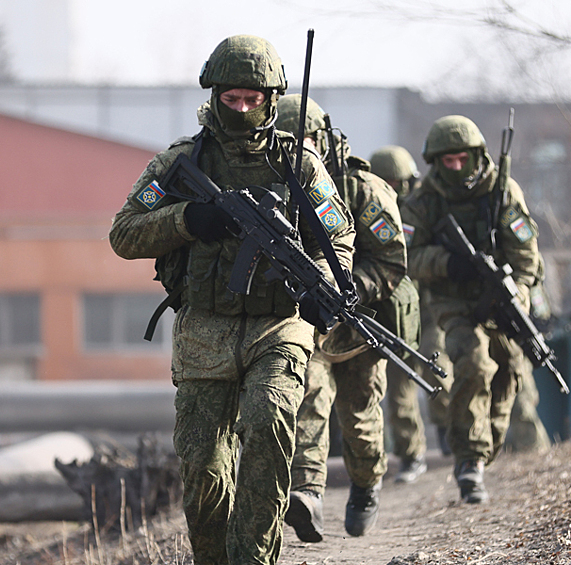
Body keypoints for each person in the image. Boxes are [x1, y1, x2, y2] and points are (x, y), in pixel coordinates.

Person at [108, 35, 355, 564]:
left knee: (268, 422)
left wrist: (326, 289)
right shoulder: (181, 162)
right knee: (203, 465)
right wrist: (188, 219)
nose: (242, 109)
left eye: (253, 99)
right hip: (205, 328)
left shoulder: (300, 164)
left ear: (271, 98)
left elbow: (338, 237)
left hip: (279, 325)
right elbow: (123, 233)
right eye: (231, 98)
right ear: (214, 94)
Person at [275, 95, 414, 540]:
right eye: (288, 142)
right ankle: (308, 493)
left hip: (358, 324)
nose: (300, 151)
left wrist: (351, 288)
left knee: (359, 417)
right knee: (308, 399)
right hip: (306, 324)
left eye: (307, 141)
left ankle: (366, 486)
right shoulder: (273, 186)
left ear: (325, 140)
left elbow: (390, 260)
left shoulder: (362, 189)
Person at [400, 115, 544, 504]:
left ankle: (484, 447)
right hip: (453, 301)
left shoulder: (502, 191)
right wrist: (448, 263)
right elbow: (406, 256)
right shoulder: (423, 201)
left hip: (501, 298)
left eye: (462, 159)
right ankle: (469, 460)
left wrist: (518, 296)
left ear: (477, 155)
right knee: (474, 363)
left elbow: (526, 256)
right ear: (435, 162)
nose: (456, 167)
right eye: (447, 161)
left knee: (509, 370)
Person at [369, 145, 453, 483]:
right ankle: (411, 455)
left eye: (399, 182)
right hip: (392, 316)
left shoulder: (426, 208)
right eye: (387, 182)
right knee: (400, 388)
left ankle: (449, 431)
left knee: (438, 367)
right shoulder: (368, 210)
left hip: (428, 309)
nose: (394, 189)